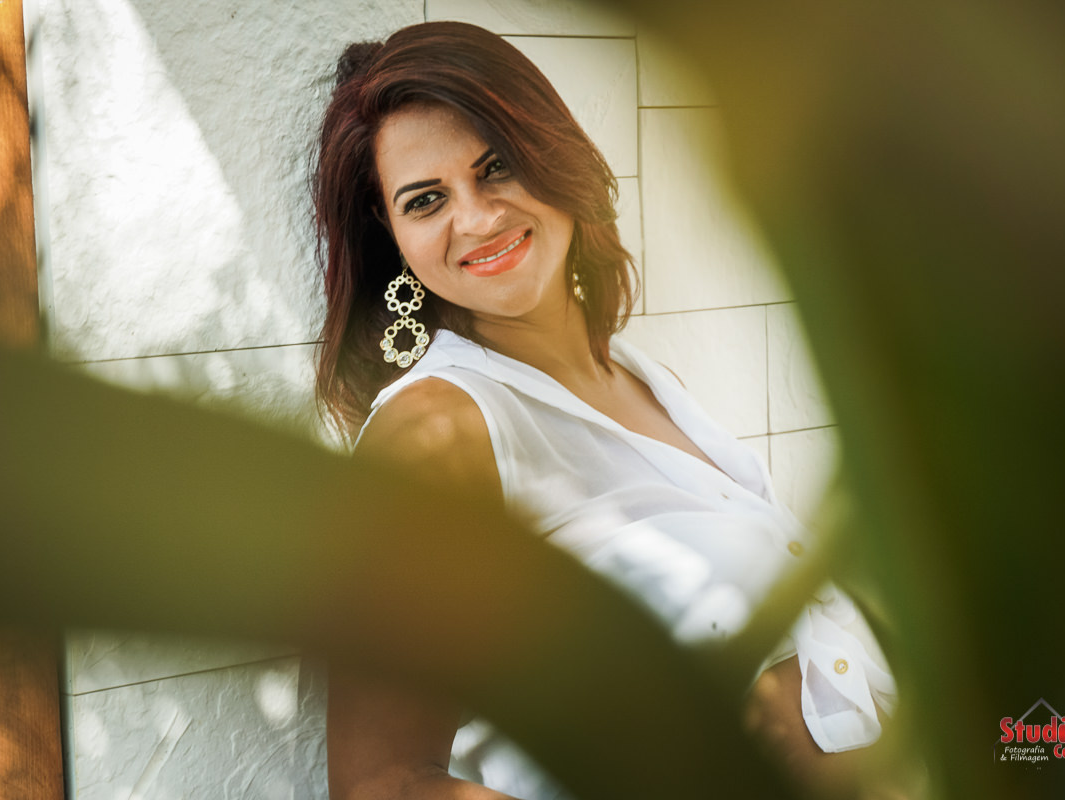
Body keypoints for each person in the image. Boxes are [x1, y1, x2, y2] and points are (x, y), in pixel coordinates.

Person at [314, 21, 897, 800]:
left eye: (496, 166)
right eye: (426, 200)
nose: (479, 218)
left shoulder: (646, 379)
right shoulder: (435, 432)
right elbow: (380, 785)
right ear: (392, 235)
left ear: (550, 153)